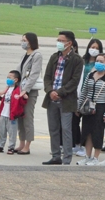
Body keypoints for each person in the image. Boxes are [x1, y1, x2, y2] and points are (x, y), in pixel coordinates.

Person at [42, 31, 84, 165]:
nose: (58, 42)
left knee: (66, 130)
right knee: (53, 128)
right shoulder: (54, 57)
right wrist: (50, 91)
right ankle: (55, 156)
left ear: (69, 43)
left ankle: (66, 159)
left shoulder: (77, 60)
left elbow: (74, 81)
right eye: (58, 40)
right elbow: (47, 77)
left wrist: (59, 92)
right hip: (52, 99)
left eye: (61, 40)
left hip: (66, 100)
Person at [74, 38, 103, 157]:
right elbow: (84, 89)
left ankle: (95, 157)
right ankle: (84, 152)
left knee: (97, 131)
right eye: (92, 47)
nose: (99, 63)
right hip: (86, 102)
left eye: (97, 48)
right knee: (85, 129)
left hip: (100, 105)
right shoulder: (86, 68)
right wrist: (79, 106)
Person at [15, 32, 42, 154]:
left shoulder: (37, 55)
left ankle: (28, 145)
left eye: (24, 40)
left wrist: (26, 90)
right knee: (20, 117)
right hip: (20, 90)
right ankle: (21, 142)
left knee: (27, 117)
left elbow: (34, 74)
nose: (23, 42)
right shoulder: (25, 55)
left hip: (29, 92)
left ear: (31, 41)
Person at [0, 70, 26, 153]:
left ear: (16, 80)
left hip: (12, 115)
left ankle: (11, 147)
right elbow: (6, 100)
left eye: (10, 77)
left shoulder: (18, 90)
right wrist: (0, 97)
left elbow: (21, 102)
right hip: (3, 113)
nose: (8, 79)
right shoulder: (8, 89)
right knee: (1, 131)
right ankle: (0, 146)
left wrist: (24, 96)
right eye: (7, 77)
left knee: (12, 132)